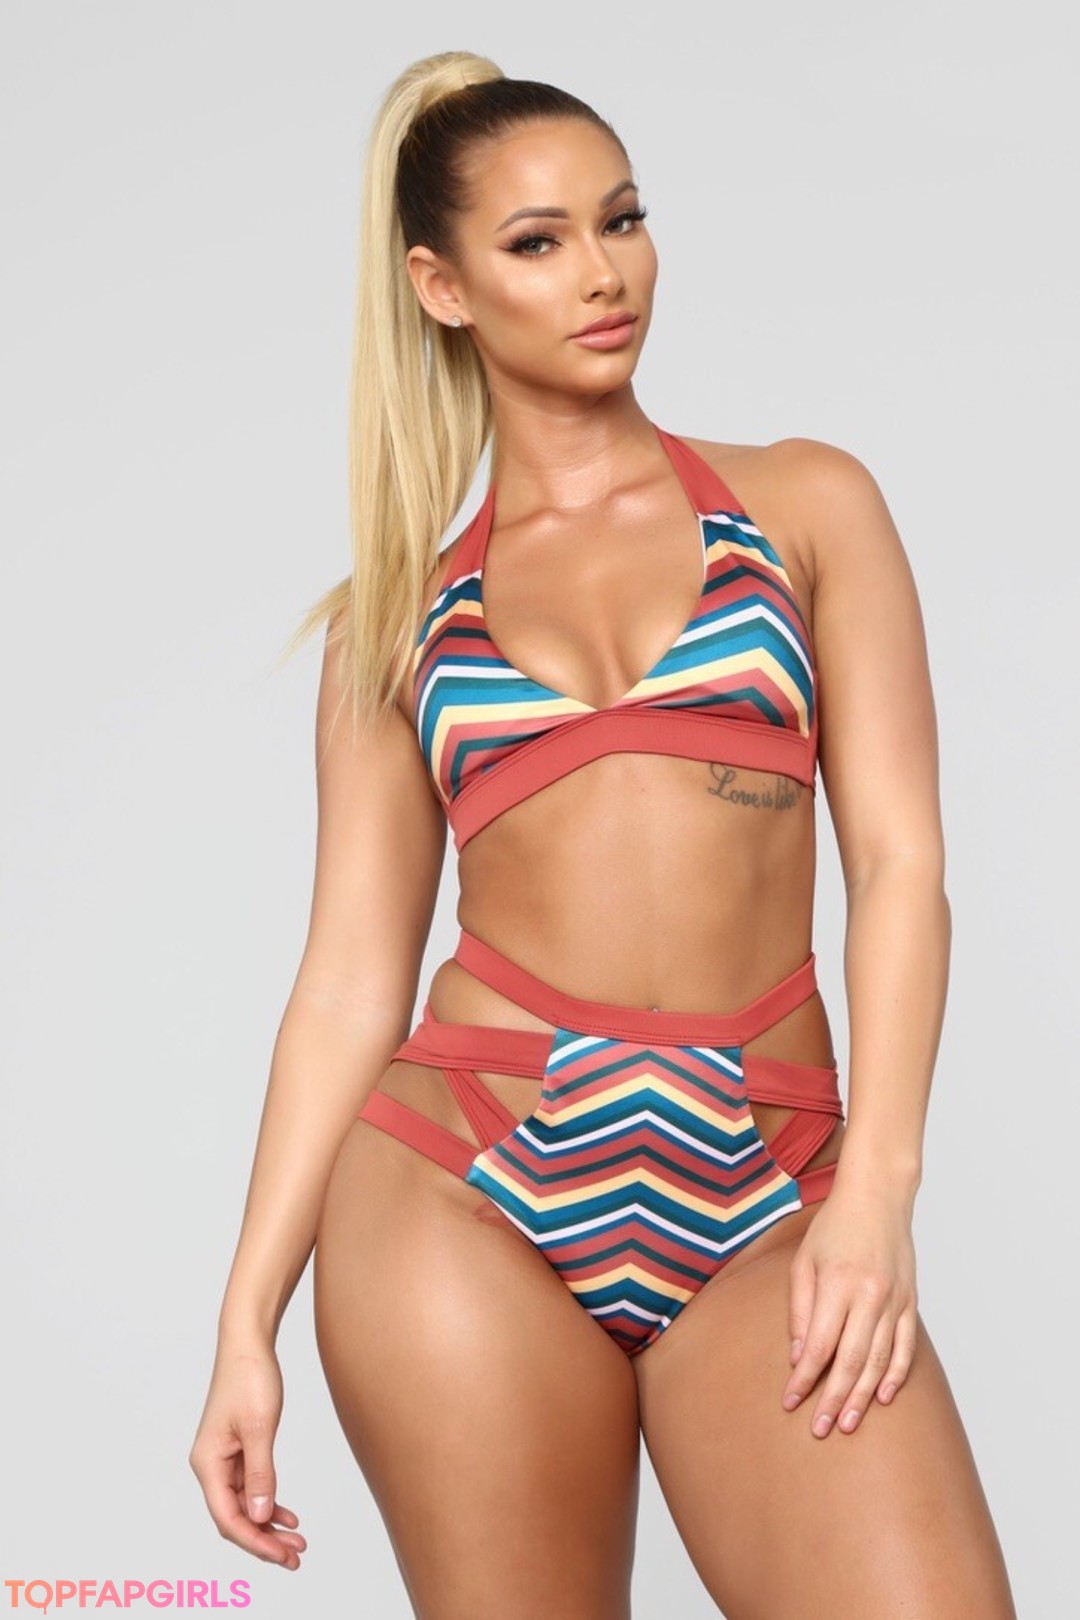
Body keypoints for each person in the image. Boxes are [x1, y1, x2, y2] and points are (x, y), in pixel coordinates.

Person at [188, 49, 1018, 1619]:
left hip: (772, 1179)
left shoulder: (806, 507)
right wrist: (247, 1321)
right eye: (539, 240)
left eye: (623, 220)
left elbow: (901, 865)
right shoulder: (395, 621)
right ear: (441, 287)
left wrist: (879, 1191)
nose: (603, 273)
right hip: (464, 1186)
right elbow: (349, 985)